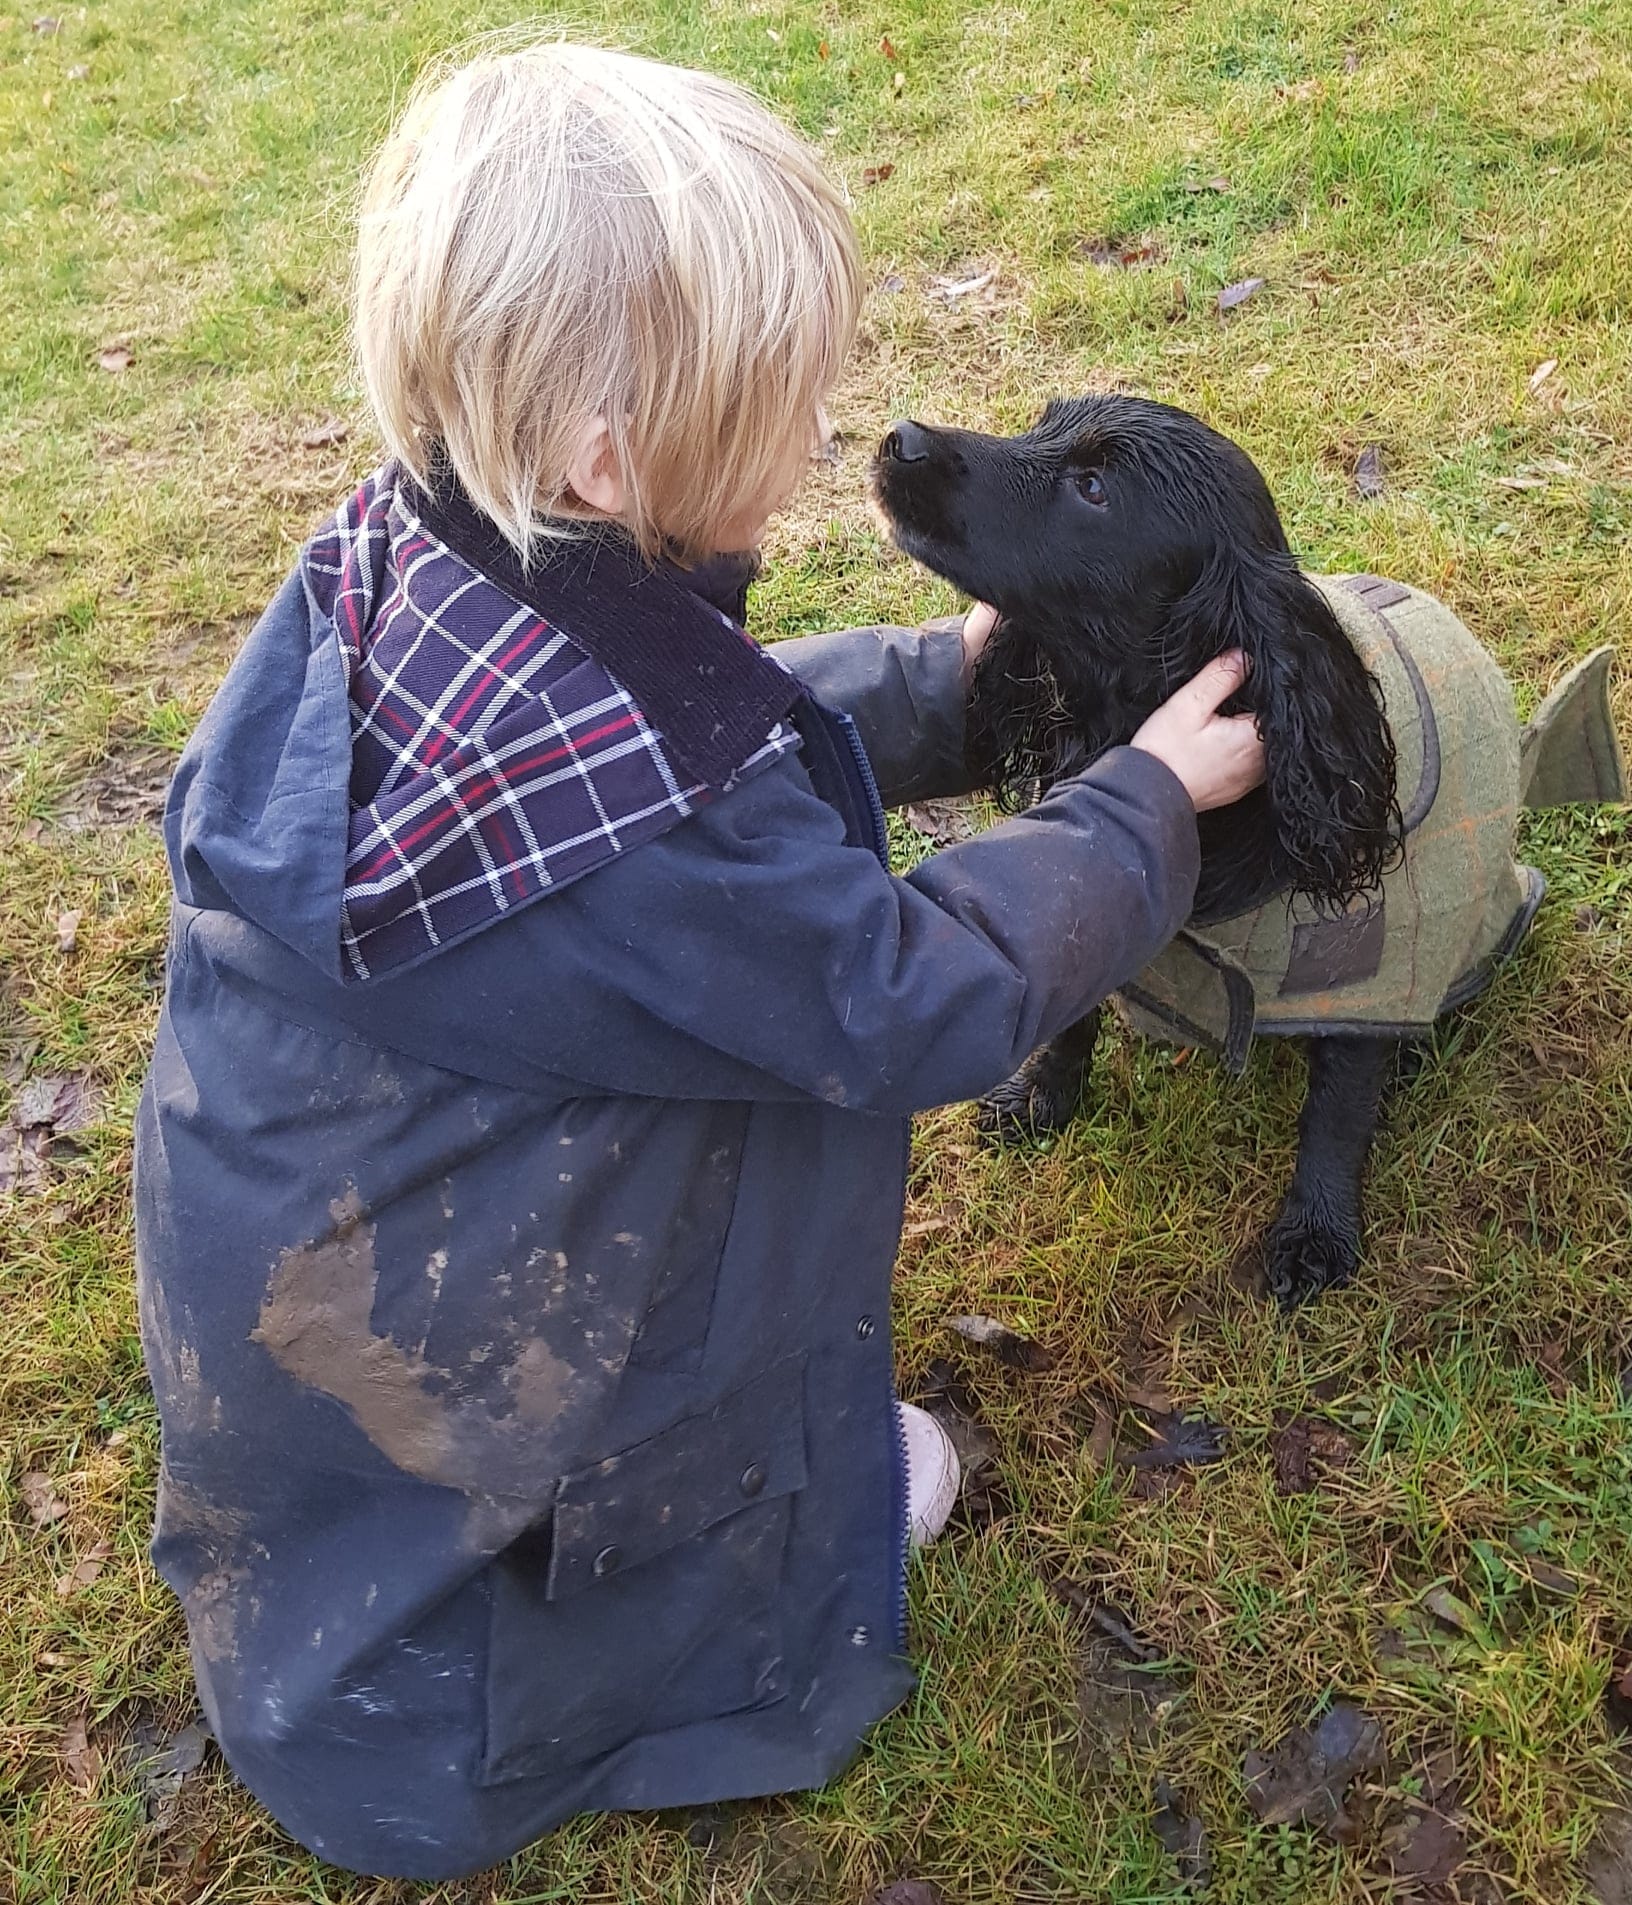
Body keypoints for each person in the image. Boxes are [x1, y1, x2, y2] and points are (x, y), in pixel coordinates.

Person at [133, 39, 1264, 1882]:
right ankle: (667, 1610)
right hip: (442, 1661)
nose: (818, 443)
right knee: (824, 1428)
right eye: (786, 407)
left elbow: (701, 741)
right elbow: (903, 990)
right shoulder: (644, 839)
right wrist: (1142, 805)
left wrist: (940, 688)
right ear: (611, 457)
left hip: (323, 1476)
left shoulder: (409, 567)